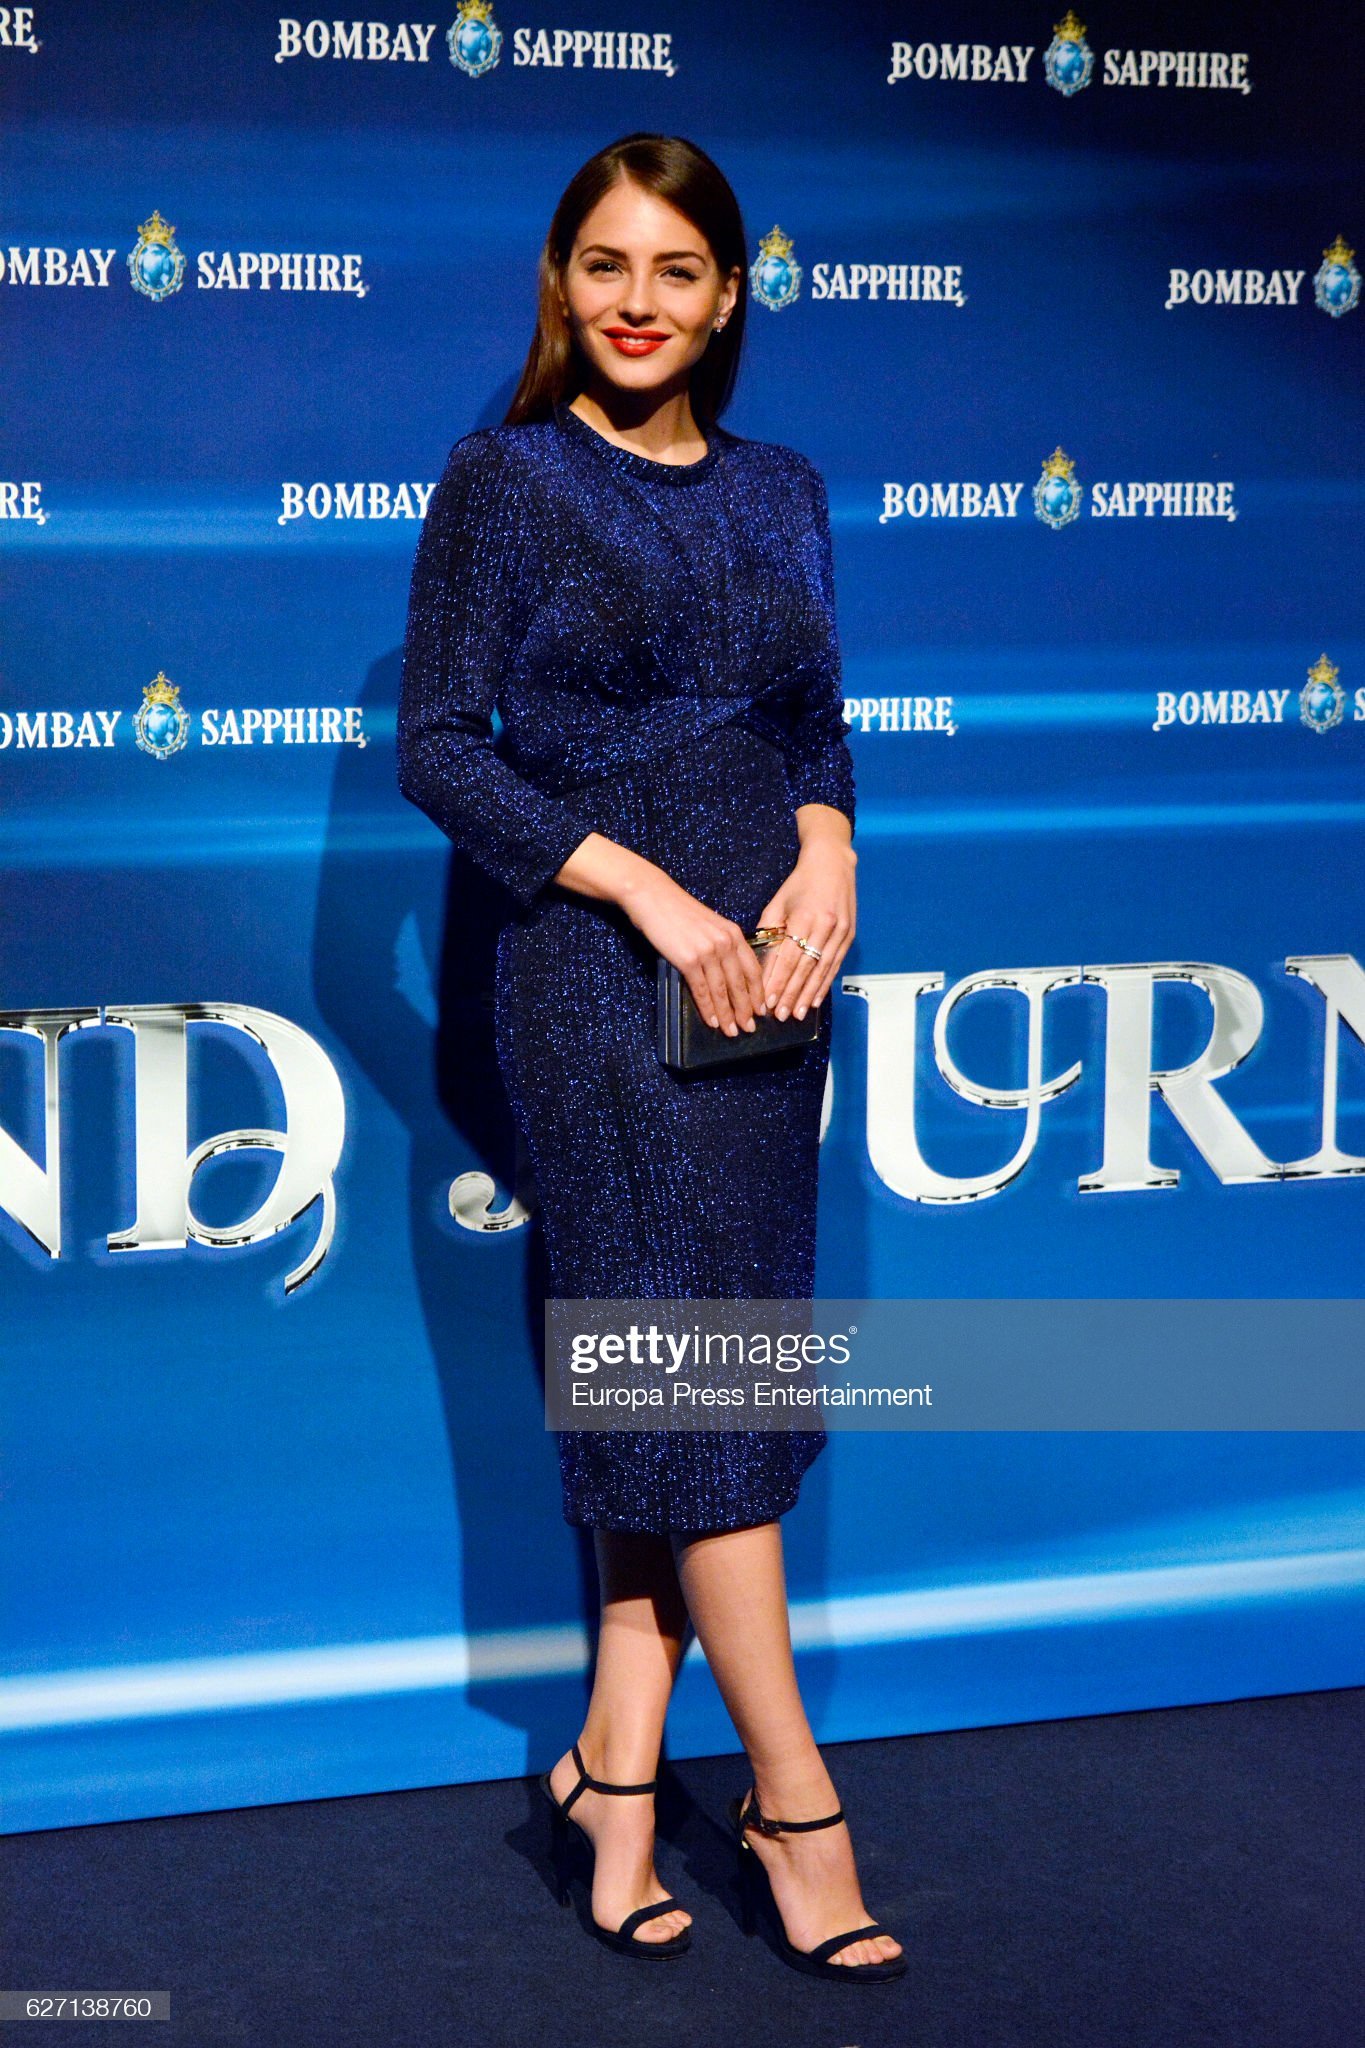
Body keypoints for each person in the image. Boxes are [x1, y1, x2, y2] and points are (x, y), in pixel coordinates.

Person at [396, 131, 904, 1983]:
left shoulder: (783, 487)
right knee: (697, 1389)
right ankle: (795, 1802)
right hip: (599, 987)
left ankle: (613, 1779)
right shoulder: (509, 481)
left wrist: (827, 850)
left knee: (688, 1378)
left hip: (769, 992)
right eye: (604, 265)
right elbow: (440, 748)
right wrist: (648, 893)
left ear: (727, 292)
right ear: (561, 283)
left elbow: (812, 728)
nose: (636, 301)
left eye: (674, 269)